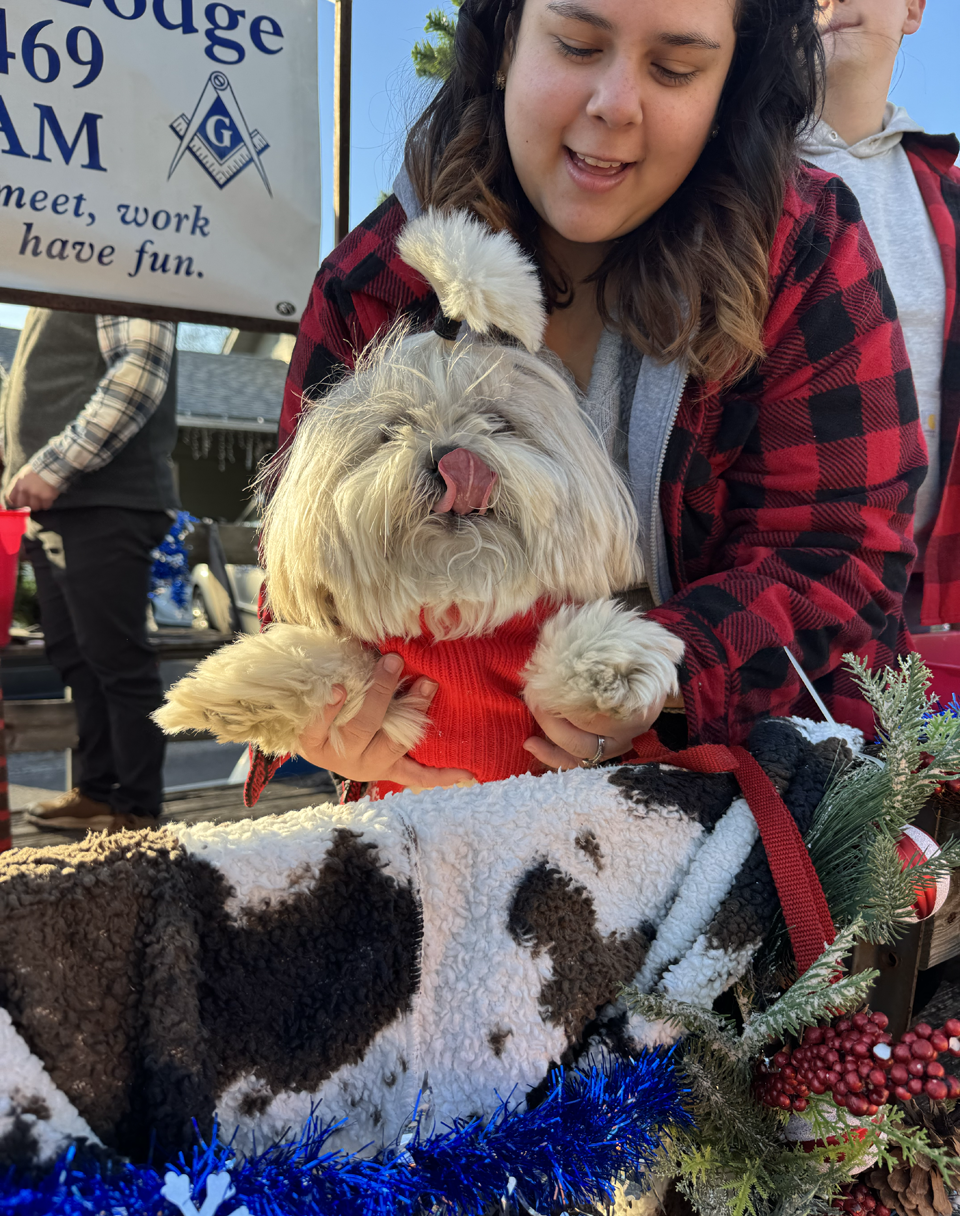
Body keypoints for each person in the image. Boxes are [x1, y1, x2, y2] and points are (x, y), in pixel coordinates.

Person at [254, 0, 926, 802]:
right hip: (430, 792)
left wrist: (657, 669)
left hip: (737, 785)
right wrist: (329, 713)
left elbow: (837, 553)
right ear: (504, 42)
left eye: (675, 68)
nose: (615, 105)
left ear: (731, 86)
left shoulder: (802, 252)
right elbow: (297, 564)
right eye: (576, 46)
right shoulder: (374, 282)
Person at [800, 0, 960, 632]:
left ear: (914, 10)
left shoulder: (949, 194)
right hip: (776, 593)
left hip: (930, 599)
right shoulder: (722, 183)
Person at [0, 311, 178, 832]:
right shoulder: (62, 278)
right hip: (56, 507)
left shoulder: (117, 268)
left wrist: (51, 467)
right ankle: (98, 793)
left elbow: (140, 368)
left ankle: (138, 809)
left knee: (117, 659)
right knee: (77, 657)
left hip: (105, 502)